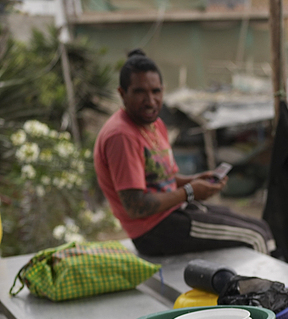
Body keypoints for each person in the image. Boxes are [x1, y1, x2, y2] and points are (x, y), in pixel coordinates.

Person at [94, 49, 275, 257]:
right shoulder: (121, 136)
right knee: (256, 237)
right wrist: (190, 191)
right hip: (154, 231)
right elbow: (137, 206)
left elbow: (161, 181)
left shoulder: (154, 123)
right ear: (122, 94)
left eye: (155, 91)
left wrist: (195, 180)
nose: (150, 101)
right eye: (139, 92)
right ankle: (271, 290)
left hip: (175, 213)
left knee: (261, 226)